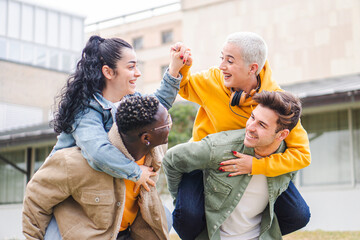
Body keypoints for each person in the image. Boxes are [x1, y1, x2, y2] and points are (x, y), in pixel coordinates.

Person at [167, 32, 310, 239]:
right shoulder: (212, 80)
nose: (222, 66)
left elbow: (302, 154)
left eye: (230, 61)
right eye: (221, 58)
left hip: (250, 164)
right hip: (204, 159)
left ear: (253, 68)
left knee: (298, 214)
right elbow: (184, 86)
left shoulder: (275, 103)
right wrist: (183, 65)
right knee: (187, 217)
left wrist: (257, 166)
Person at [23, 95, 173, 240]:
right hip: (88, 235)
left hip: (129, 231)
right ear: (146, 138)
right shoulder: (74, 163)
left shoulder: (156, 150)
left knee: (165, 216)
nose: (170, 124)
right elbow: (35, 199)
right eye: (166, 123)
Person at [163, 91, 303, 240]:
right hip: (215, 235)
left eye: (261, 125)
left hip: (258, 236)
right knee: (188, 213)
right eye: (252, 117)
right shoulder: (220, 148)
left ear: (281, 135)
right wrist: (181, 201)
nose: (250, 127)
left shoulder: (289, 159)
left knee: (300, 214)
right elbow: (172, 159)